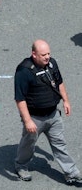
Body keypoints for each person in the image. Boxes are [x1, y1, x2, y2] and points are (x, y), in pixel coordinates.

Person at [14, 40, 82, 184]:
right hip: (35, 118)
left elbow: (59, 82)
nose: (47, 57)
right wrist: (27, 121)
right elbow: (20, 99)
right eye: (43, 54)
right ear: (34, 54)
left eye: (49, 54)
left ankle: (71, 173)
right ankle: (21, 166)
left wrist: (66, 100)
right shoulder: (24, 71)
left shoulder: (52, 64)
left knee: (60, 144)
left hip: (53, 114)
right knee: (28, 145)